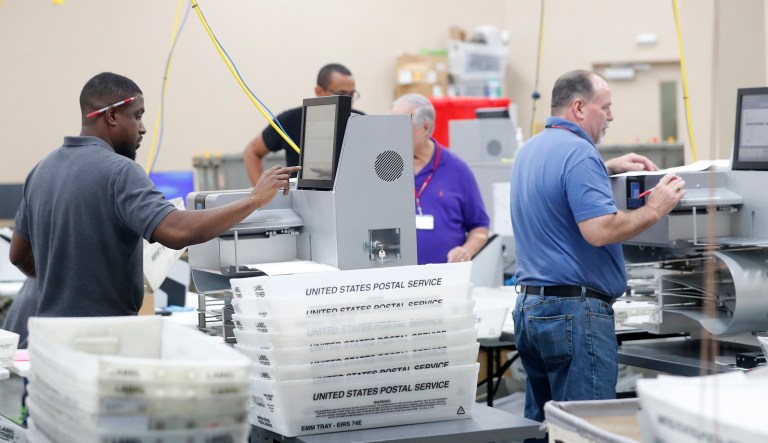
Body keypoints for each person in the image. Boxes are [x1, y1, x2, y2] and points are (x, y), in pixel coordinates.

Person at [9, 72, 300, 318]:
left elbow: (18, 254)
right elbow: (176, 231)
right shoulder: (119, 171)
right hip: (104, 337)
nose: (143, 128)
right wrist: (254, 200)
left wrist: (57, 282)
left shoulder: (41, 171)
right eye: (137, 116)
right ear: (112, 115)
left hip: (50, 337)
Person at [510, 69, 685, 428]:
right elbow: (600, 230)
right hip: (574, 313)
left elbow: (556, 189)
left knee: (546, 428)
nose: (611, 116)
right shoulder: (578, 153)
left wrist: (603, 169)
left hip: (531, 309)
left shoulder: (531, 150)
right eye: (605, 107)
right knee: (586, 430)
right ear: (578, 107)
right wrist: (656, 208)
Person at [390, 93, 490, 264]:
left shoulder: (457, 170)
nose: (391, 133)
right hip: (393, 278)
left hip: (443, 279)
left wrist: (466, 250)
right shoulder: (383, 165)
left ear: (425, 128)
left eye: (400, 126)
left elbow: (480, 227)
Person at [243, 63, 363, 183]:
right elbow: (252, 152)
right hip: (302, 199)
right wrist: (262, 196)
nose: (349, 100)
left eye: (351, 94)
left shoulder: (361, 122)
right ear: (319, 91)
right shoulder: (290, 120)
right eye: (342, 94)